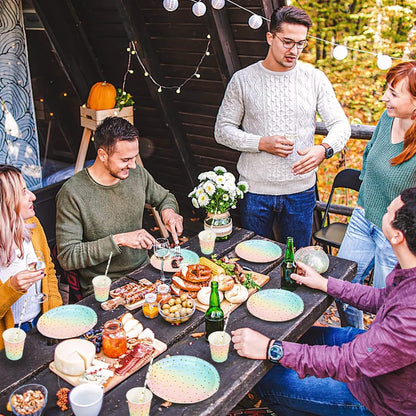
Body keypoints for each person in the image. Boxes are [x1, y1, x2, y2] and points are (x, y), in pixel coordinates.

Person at [232, 187, 416, 416]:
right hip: (372, 352)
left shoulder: (411, 315)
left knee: (261, 377)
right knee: (297, 337)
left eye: (389, 213)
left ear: (398, 235)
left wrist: (272, 349)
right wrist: (325, 284)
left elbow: (348, 362)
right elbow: (382, 299)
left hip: (379, 396)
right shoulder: (410, 271)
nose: (383, 213)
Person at [214, 6, 350, 248]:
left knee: (296, 259)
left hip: (301, 192)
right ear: (270, 37)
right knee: (251, 259)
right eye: (287, 42)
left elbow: (341, 124)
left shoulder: (314, 78)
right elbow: (222, 130)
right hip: (254, 191)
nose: (294, 51)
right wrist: (261, 143)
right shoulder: (243, 80)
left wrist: (324, 149)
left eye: (301, 44)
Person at [56, 117, 183, 297]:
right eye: (125, 160)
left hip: (146, 271)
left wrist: (169, 212)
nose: (132, 165)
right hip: (104, 286)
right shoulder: (72, 193)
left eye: (134, 158)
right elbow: (67, 256)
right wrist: (118, 240)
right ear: (102, 155)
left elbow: (164, 198)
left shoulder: (137, 174)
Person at [337, 60, 416, 328]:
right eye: (387, 90)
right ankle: (355, 340)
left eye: (394, 94)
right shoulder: (387, 118)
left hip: (395, 235)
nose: (384, 98)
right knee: (343, 289)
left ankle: (375, 357)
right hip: (363, 217)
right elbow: (370, 152)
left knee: (388, 307)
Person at [0, 165, 62, 349]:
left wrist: (54, 314)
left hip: (42, 328)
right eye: (23, 192)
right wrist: (12, 287)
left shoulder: (32, 224)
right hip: (7, 343)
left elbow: (48, 271)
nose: (33, 196)